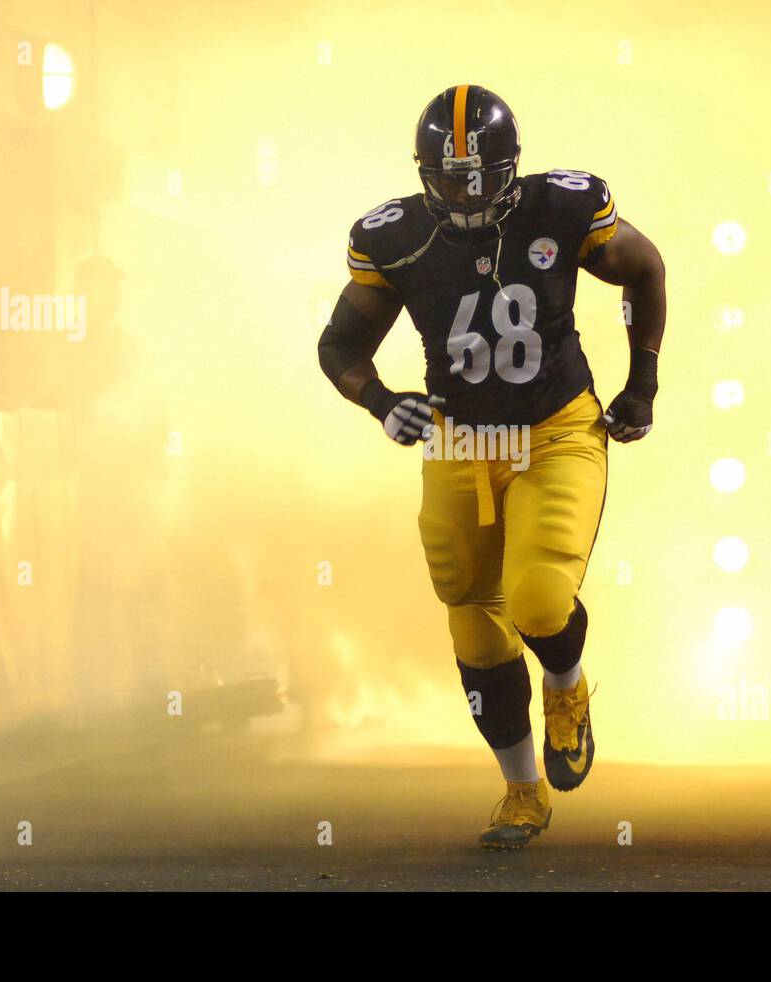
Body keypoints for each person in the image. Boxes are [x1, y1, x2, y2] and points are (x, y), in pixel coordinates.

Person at [318, 85, 666, 849]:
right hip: (460, 440)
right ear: (423, 173)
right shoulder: (394, 237)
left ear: (513, 169)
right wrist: (380, 402)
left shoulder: (564, 207)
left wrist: (641, 387)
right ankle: (521, 793)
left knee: (539, 601)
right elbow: (339, 347)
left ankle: (567, 694)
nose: (468, 196)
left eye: (482, 178)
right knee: (472, 620)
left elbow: (645, 268)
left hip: (553, 427)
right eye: (451, 180)